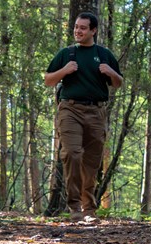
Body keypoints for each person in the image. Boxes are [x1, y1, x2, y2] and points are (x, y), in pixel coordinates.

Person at [44, 12, 123, 222]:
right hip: (70, 109)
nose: (78, 31)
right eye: (76, 27)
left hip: (96, 111)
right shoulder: (66, 54)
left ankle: (89, 209)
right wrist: (64, 71)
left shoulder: (104, 54)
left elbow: (118, 83)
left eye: (83, 28)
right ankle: (74, 207)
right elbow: (48, 80)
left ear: (93, 31)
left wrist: (111, 73)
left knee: (92, 161)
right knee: (71, 154)